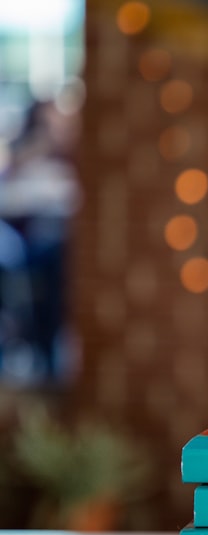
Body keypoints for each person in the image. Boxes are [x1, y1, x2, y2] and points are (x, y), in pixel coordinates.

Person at [0, 99, 81, 384]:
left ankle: (46, 353)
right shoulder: (25, 156)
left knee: (55, 270)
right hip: (25, 247)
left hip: (56, 246)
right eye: (43, 124)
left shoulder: (74, 161)